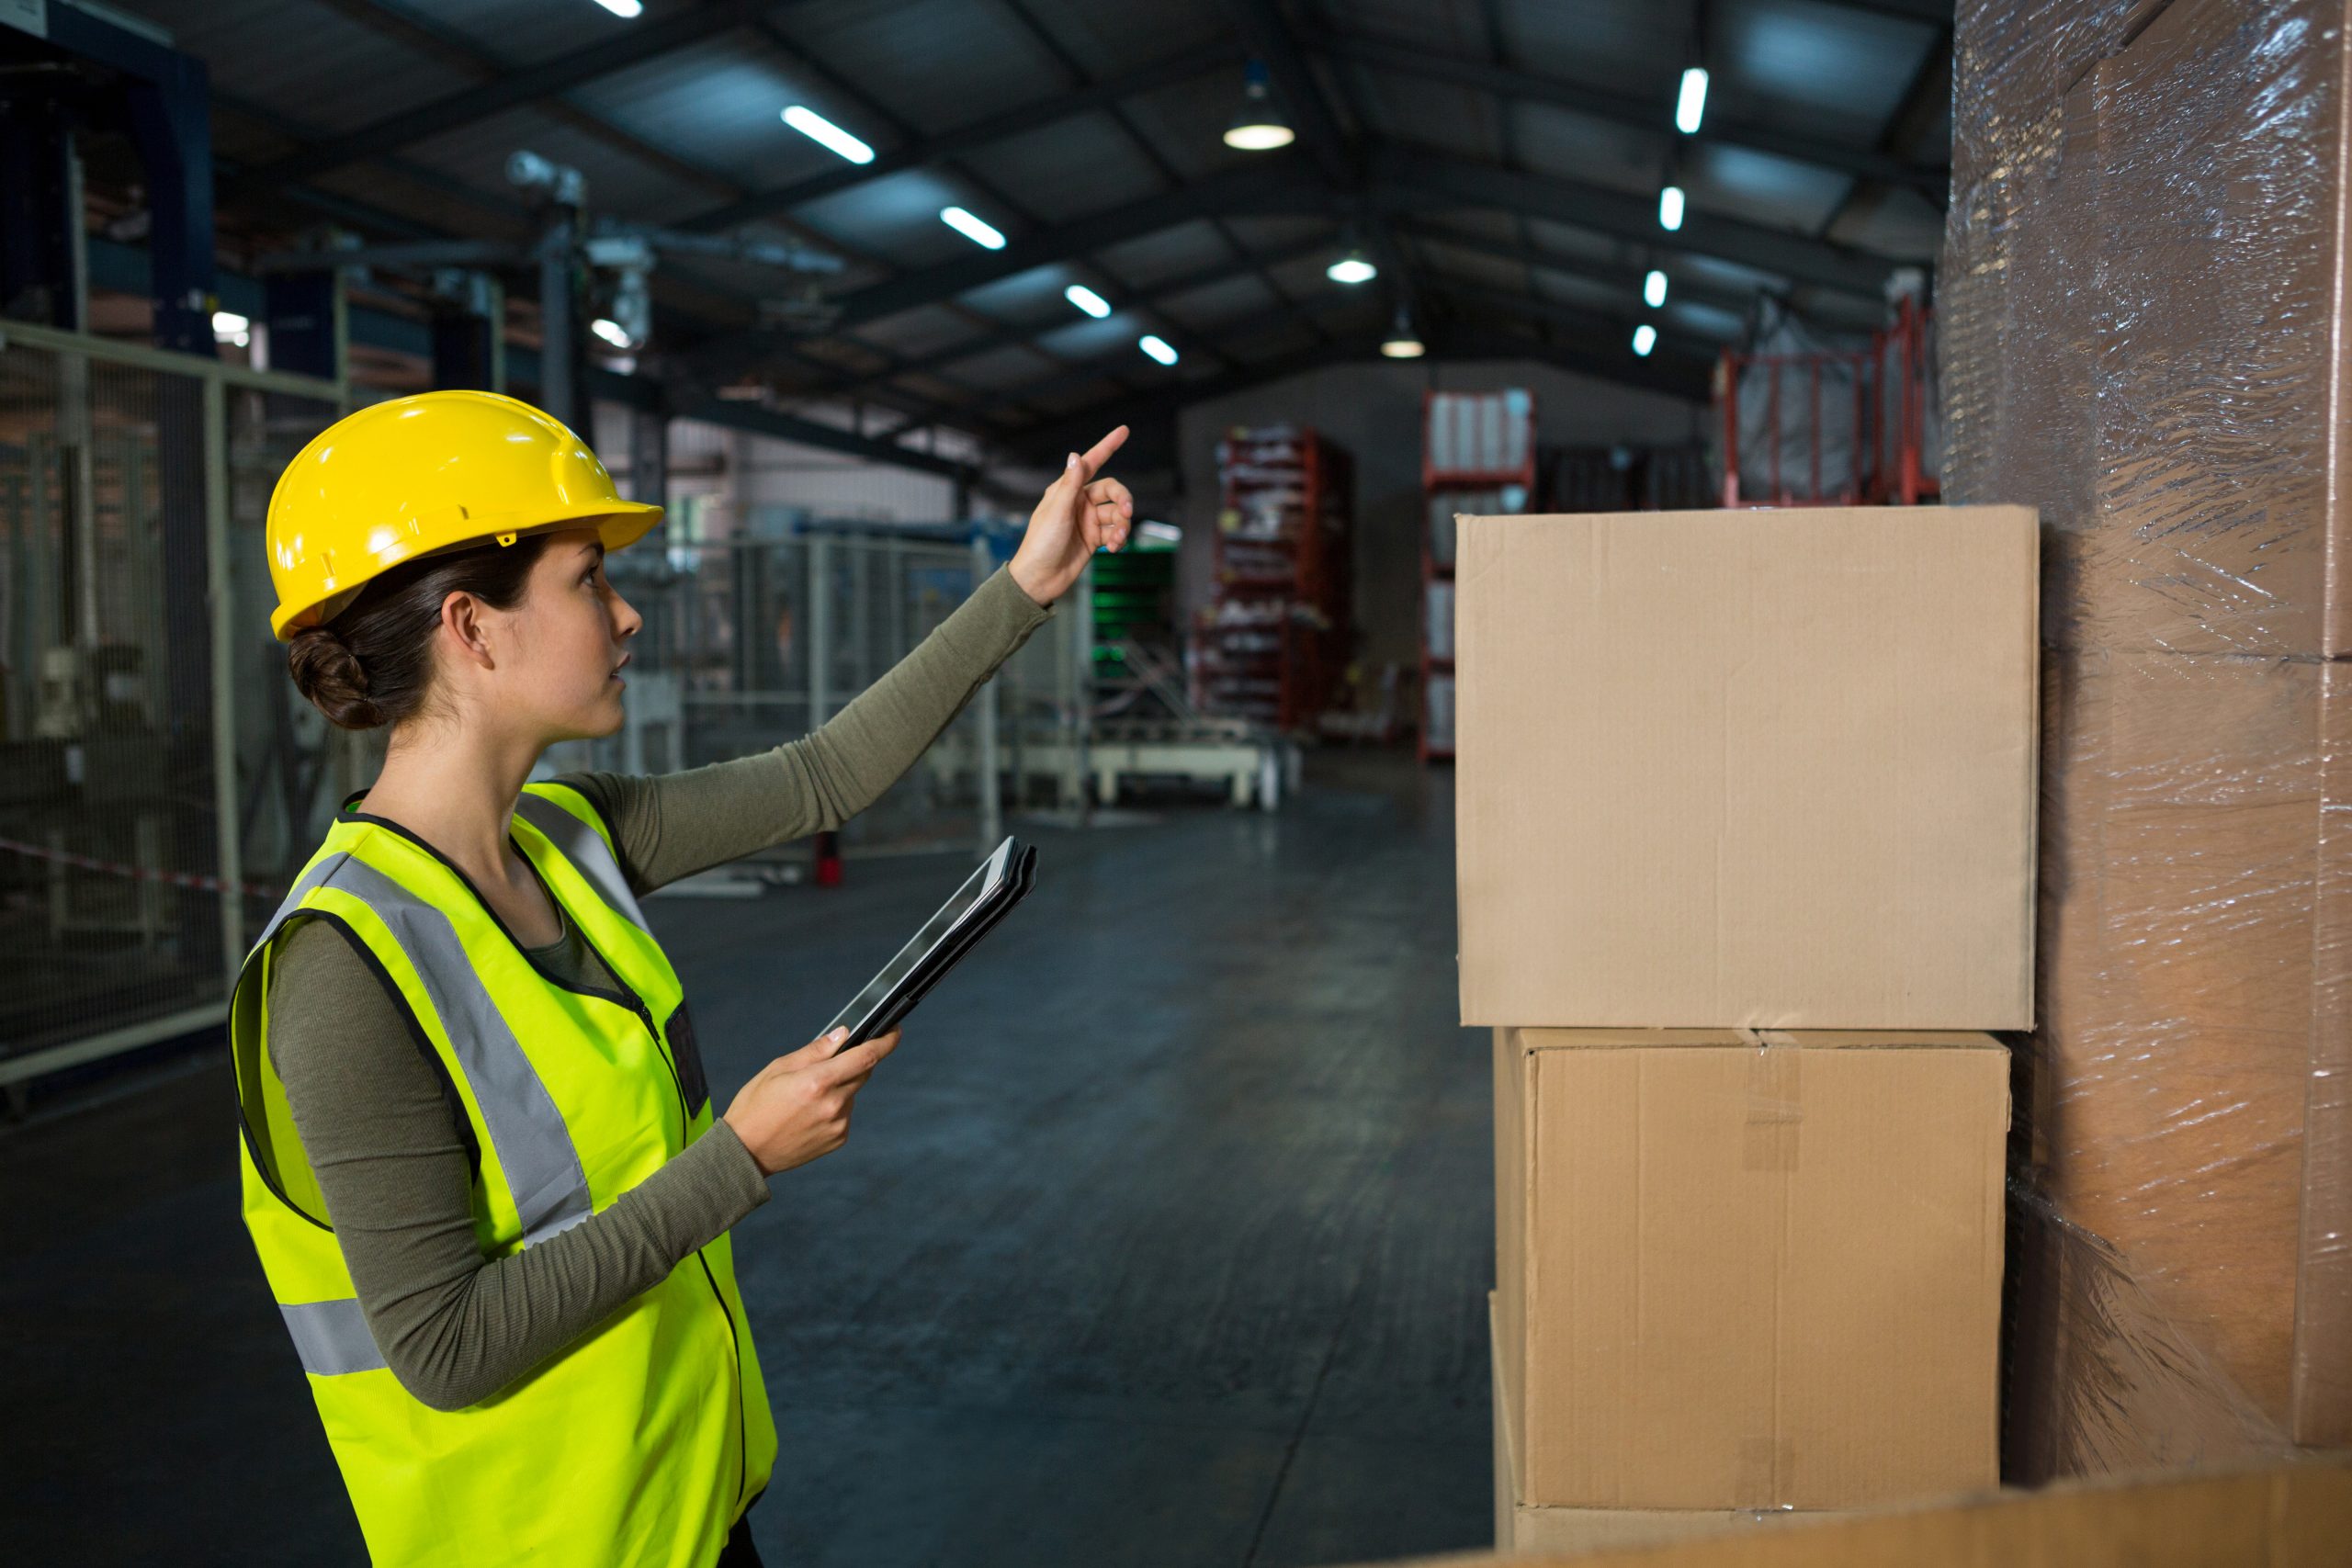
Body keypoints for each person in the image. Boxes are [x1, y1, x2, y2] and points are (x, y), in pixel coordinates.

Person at [232, 389, 1132, 1567]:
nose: (628, 615)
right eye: (585, 580)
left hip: (690, 1506)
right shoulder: (341, 970)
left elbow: (825, 774)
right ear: (472, 625)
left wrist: (1025, 584)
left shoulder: (570, 833)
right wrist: (739, 1160)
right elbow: (447, 1349)